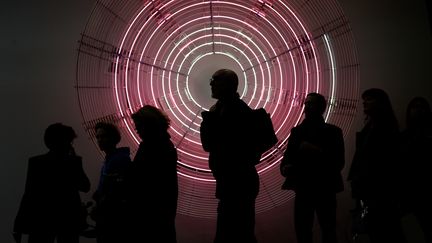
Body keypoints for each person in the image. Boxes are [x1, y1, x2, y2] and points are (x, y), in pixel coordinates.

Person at [200, 69, 262, 243]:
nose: (211, 83)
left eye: (215, 80)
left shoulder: (233, 111)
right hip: (235, 181)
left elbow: (212, 144)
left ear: (228, 85)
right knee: (240, 231)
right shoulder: (228, 109)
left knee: (235, 231)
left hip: (237, 182)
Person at [280, 92, 345, 243]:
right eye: (306, 103)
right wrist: (285, 168)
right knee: (305, 230)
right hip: (307, 188)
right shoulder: (297, 132)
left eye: (311, 103)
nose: (307, 106)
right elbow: (287, 159)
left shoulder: (333, 132)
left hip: (322, 188)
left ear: (321, 107)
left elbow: (338, 162)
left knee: (325, 229)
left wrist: (316, 151)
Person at [13, 123, 90, 243]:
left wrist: (18, 226)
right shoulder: (72, 163)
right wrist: (75, 160)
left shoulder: (36, 163)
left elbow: (28, 195)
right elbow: (85, 186)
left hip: (42, 220)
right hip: (68, 221)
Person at [347, 88, 406, 243]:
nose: (364, 102)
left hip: (379, 192)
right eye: (364, 99)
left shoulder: (383, 128)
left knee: (384, 232)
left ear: (381, 103)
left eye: (369, 99)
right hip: (371, 191)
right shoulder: (372, 127)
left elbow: (385, 162)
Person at [127, 105, 178, 243]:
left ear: (150, 125)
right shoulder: (165, 145)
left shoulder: (152, 147)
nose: (136, 130)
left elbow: (145, 179)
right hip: (160, 215)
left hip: (151, 215)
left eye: (139, 126)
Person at [92, 122, 131, 243]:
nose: (99, 140)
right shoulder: (111, 159)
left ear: (113, 138)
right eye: (97, 137)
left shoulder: (119, 160)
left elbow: (119, 191)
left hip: (114, 220)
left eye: (103, 136)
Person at [399, 96, 432, 243]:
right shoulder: (404, 137)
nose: (418, 110)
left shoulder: (406, 137)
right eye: (415, 106)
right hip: (410, 192)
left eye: (421, 106)